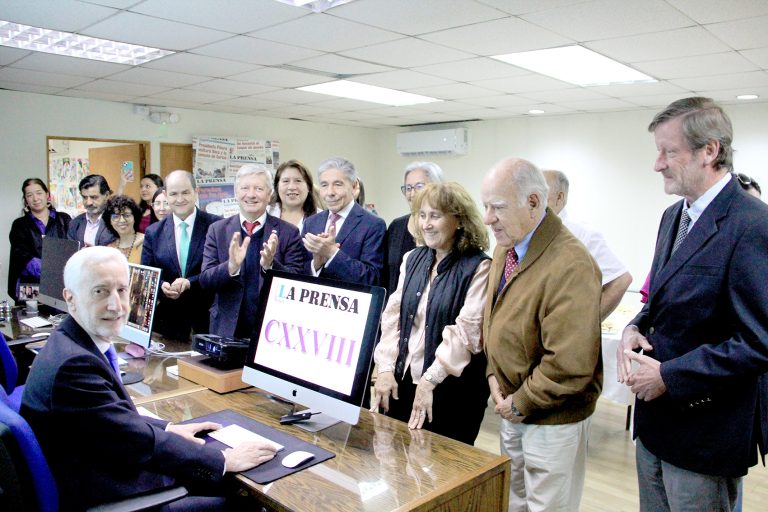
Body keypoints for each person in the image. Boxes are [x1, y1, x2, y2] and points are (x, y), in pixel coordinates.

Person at [20, 246, 277, 510]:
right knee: (243, 500)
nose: (115, 305)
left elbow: (113, 420)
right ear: (70, 298)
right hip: (111, 494)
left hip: (100, 471)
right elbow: (132, 440)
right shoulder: (74, 365)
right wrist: (223, 459)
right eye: (100, 291)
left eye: (121, 290)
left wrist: (168, 429)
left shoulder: (72, 342)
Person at [618, 97, 768, 512]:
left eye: (669, 152)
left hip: (705, 432)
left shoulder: (753, 224)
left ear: (710, 151)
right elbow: (660, 299)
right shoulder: (673, 217)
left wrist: (669, 375)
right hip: (654, 426)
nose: (657, 164)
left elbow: (759, 342)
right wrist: (634, 327)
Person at [481, 158, 602, 512]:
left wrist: (521, 402)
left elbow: (570, 363)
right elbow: (495, 320)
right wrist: (493, 373)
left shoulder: (571, 262)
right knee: (515, 503)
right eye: (486, 206)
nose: (488, 218)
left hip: (549, 419)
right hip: (512, 408)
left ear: (534, 202)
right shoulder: (506, 247)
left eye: (498, 207)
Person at [371, 182, 491, 445]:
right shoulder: (412, 258)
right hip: (402, 381)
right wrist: (386, 368)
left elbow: (466, 334)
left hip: (450, 390)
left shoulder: (479, 267)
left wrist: (429, 381)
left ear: (459, 220)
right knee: (393, 463)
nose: (426, 224)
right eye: (422, 215)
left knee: (437, 472)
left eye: (435, 216)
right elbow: (393, 318)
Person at [200, 164, 306, 338]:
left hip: (273, 332)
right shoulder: (217, 230)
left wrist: (270, 265)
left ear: (269, 194)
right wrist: (231, 266)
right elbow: (205, 281)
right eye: (245, 188)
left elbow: (297, 285)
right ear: (235, 193)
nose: (251, 194)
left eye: (258, 188)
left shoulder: (289, 233)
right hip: (226, 330)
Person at [141, 171, 221, 340]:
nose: (179, 199)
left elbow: (221, 270)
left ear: (196, 191)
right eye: (173, 194)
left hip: (208, 320)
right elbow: (147, 275)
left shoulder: (217, 226)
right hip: (169, 323)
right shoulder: (154, 232)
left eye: (185, 192)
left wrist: (189, 283)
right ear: (165, 195)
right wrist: (162, 285)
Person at [544, 170, 633, 320]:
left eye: (541, 192)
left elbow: (620, 280)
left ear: (560, 197)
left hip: (562, 335)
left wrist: (586, 327)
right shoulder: (530, 234)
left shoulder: (583, 234)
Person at [302, 157, 386, 285]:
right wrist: (316, 265)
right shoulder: (311, 223)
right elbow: (299, 272)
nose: (330, 192)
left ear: (354, 186)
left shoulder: (373, 225)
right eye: (324, 185)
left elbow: (372, 278)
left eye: (338, 184)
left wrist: (332, 253)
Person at [383, 162, 445, 296]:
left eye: (419, 187)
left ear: (436, 188)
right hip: (394, 310)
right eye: (408, 188)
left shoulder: (444, 228)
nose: (412, 193)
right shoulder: (396, 227)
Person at [8, 178, 71, 302]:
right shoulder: (19, 224)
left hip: (60, 283)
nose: (35, 199)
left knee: (58, 317)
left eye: (39, 193)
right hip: (29, 285)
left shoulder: (64, 219)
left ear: (47, 195)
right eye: (29, 195)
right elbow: (21, 255)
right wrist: (50, 270)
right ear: (25, 200)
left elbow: (71, 248)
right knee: (29, 316)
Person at [267, 159, 321, 232]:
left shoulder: (322, 218)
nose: (292, 187)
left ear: (308, 187)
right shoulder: (266, 212)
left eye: (298, 181)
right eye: (286, 181)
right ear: (277, 186)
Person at [67, 174, 116, 247]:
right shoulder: (74, 224)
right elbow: (70, 253)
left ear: (106, 195)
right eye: (84, 197)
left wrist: (93, 252)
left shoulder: (117, 221)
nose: (88, 202)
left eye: (94, 197)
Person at [103, 195, 144, 264]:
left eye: (127, 215)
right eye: (116, 216)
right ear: (110, 221)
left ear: (135, 218)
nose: (122, 220)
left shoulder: (146, 241)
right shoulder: (109, 249)